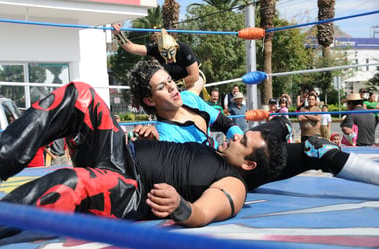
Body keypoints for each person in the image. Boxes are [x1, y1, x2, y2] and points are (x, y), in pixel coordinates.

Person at [0, 80, 288, 249]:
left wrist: (181, 207)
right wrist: (149, 135)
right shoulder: (212, 150)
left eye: (242, 143)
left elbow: (205, 211)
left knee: (68, 182)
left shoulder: (235, 184)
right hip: (120, 153)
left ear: (247, 165)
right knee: (81, 94)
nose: (234, 138)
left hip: (128, 188)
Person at [128, 60, 379, 190]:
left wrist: (237, 136)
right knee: (316, 149)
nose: (172, 86)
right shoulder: (165, 134)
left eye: (170, 80)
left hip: (235, 151)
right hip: (232, 172)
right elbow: (194, 170)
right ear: (150, 100)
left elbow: (225, 122)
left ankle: (280, 130)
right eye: (162, 87)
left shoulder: (191, 99)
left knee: (281, 123)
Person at [111, 24, 207, 99]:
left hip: (194, 80)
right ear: (159, 50)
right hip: (174, 84)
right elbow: (131, 47)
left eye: (171, 52)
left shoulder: (184, 49)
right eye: (164, 54)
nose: (169, 57)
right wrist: (118, 34)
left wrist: (173, 85)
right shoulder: (155, 49)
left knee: (188, 100)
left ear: (176, 47)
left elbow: (194, 76)